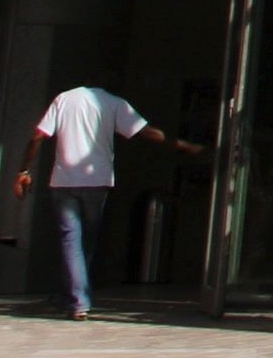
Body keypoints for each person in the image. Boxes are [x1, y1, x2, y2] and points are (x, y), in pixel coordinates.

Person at [12, 84, 196, 318]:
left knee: (71, 241)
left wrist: (24, 170)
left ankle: (75, 297)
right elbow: (145, 132)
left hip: (64, 181)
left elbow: (39, 135)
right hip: (97, 181)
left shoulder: (64, 99)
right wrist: (184, 145)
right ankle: (77, 297)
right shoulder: (114, 102)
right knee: (86, 241)